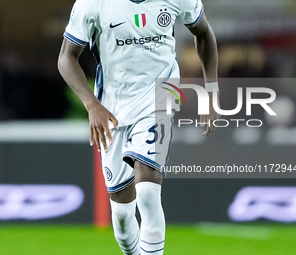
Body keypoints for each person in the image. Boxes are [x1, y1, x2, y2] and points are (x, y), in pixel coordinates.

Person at [58, 0, 219, 254]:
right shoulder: (94, 4)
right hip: (113, 111)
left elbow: (204, 33)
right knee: (122, 218)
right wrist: (92, 105)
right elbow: (66, 57)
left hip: (159, 99)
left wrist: (211, 91)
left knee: (147, 193)